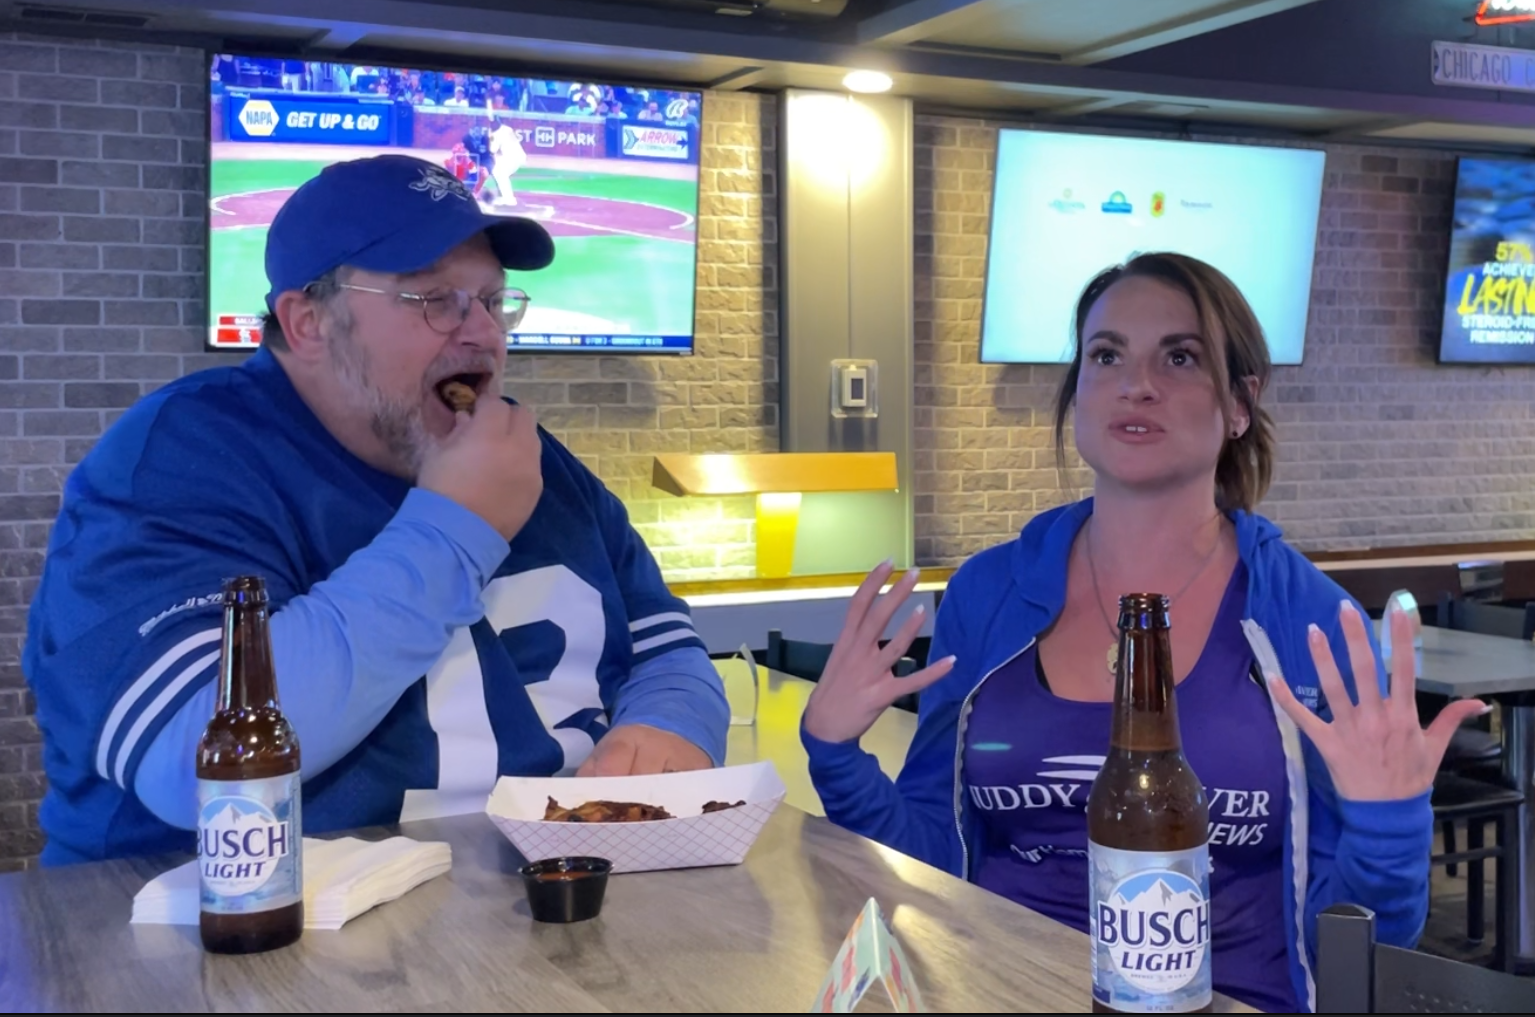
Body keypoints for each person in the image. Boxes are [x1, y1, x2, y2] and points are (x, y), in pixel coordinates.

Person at [799, 252, 1486, 1014]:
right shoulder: (988, 595)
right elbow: (931, 861)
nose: (1137, 383)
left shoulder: (1309, 620)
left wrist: (1387, 826)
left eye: (1180, 356)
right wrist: (834, 754)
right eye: (1106, 355)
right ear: (1077, 393)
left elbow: (1360, 944)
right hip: (998, 986)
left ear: (1237, 405)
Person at [24, 153, 729, 865]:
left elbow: (664, 645)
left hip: (539, 911)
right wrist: (457, 529)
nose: (481, 332)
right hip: (215, 943)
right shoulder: (179, 462)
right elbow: (197, 761)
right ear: (307, 322)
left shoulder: (533, 455)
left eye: (491, 300)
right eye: (433, 299)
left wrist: (672, 724)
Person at [489, 115, 526, 209]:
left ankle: (509, 199)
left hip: (513, 157)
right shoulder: (507, 129)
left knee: (500, 173)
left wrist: (490, 137)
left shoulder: (496, 134)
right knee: (498, 172)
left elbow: (493, 150)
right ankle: (506, 197)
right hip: (514, 156)